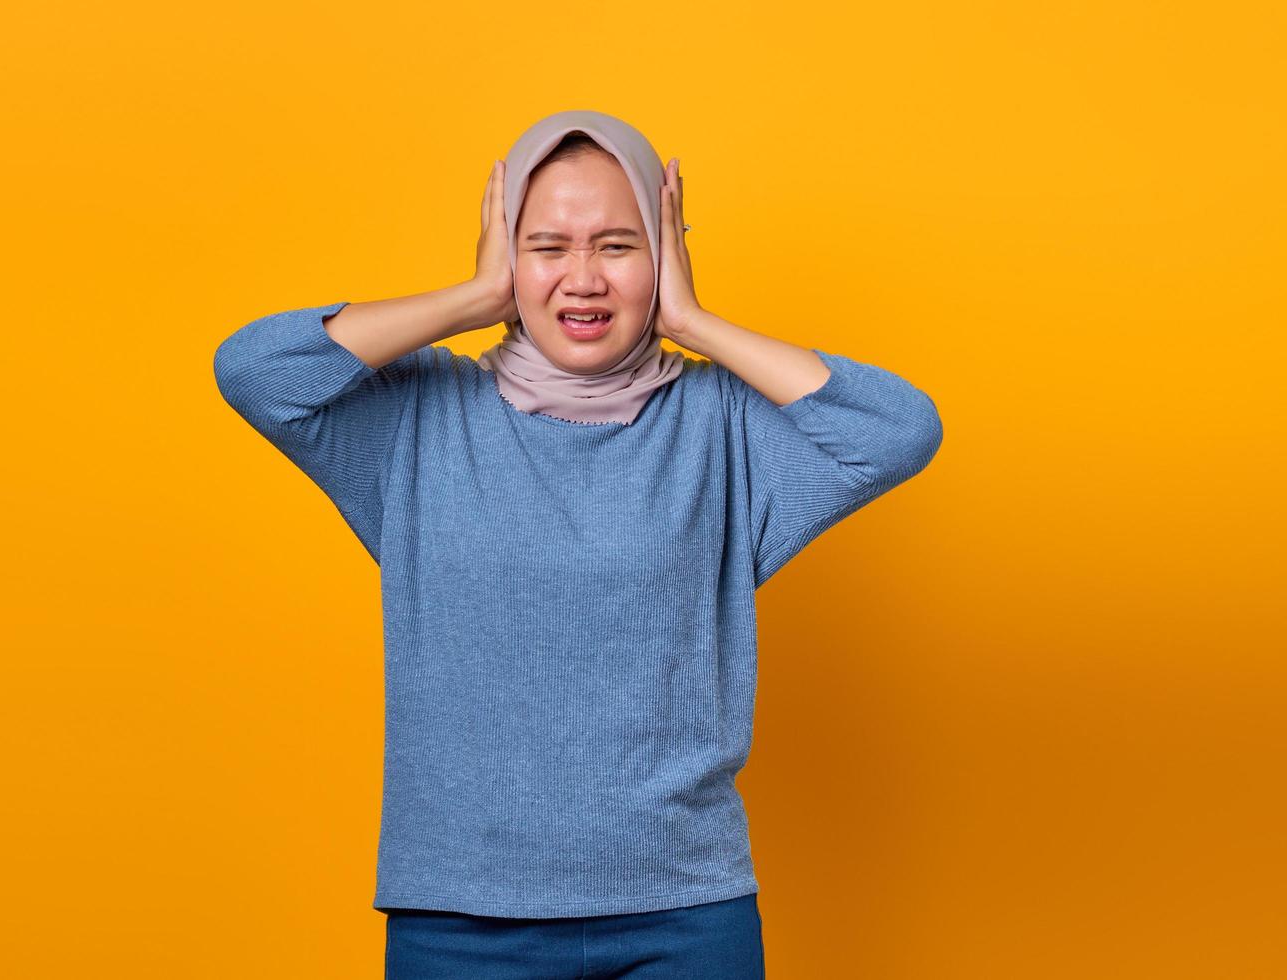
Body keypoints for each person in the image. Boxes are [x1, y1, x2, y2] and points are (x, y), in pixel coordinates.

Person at [213, 109, 944, 978]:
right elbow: (254, 370)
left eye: (619, 245)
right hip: (460, 916)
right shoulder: (413, 419)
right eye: (547, 247)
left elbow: (899, 428)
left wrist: (695, 322)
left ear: (665, 254)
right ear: (504, 254)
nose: (583, 279)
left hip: (683, 910)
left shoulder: (724, 427)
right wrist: (472, 299)